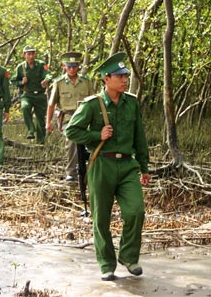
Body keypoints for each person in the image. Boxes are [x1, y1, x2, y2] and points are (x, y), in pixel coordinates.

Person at [65, 52, 150, 281]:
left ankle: (129, 257)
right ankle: (106, 264)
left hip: (127, 166)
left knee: (136, 212)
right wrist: (96, 134)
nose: (124, 80)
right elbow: (71, 130)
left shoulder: (131, 102)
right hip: (102, 165)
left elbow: (139, 136)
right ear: (106, 79)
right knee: (101, 218)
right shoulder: (93, 105)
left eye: (126, 76)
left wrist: (144, 167)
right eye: (119, 76)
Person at [46, 51, 94, 181]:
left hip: (85, 118)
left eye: (74, 66)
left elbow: (94, 101)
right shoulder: (59, 83)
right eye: (69, 66)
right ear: (64, 66)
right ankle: (72, 172)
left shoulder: (87, 82)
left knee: (93, 138)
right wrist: (48, 122)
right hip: (68, 118)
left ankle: (92, 168)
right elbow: (51, 104)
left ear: (79, 66)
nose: (72, 69)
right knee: (72, 139)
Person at [11, 45, 52, 144]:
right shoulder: (20, 67)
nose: (31, 56)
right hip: (27, 94)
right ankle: (31, 129)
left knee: (40, 120)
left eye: (32, 53)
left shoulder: (41, 64)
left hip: (40, 95)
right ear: (24, 55)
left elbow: (49, 74)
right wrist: (21, 82)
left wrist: (46, 80)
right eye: (28, 54)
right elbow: (13, 80)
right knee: (25, 108)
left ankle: (40, 143)